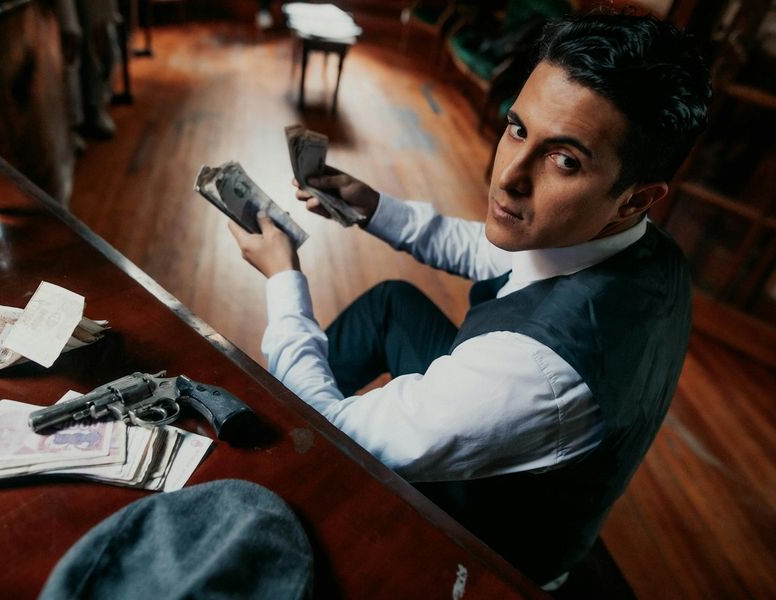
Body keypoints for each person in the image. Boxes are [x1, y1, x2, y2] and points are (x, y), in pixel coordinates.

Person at [228, 13, 711, 588]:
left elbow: (341, 429)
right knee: (392, 303)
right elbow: (488, 252)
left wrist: (283, 277)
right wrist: (371, 204)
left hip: (487, 541)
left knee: (324, 430)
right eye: (517, 128)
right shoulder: (644, 246)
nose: (508, 176)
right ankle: (282, 421)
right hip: (527, 453)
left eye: (565, 160)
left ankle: (283, 447)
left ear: (634, 199)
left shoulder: (534, 373)